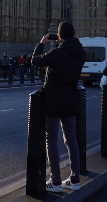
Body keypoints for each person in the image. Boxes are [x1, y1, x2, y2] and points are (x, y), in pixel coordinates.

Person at [31, 21, 85, 192]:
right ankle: (74, 180)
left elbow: (35, 60)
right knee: (71, 139)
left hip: (54, 100)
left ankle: (55, 182)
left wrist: (41, 44)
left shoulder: (57, 53)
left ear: (60, 36)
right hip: (71, 99)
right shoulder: (81, 53)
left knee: (52, 139)